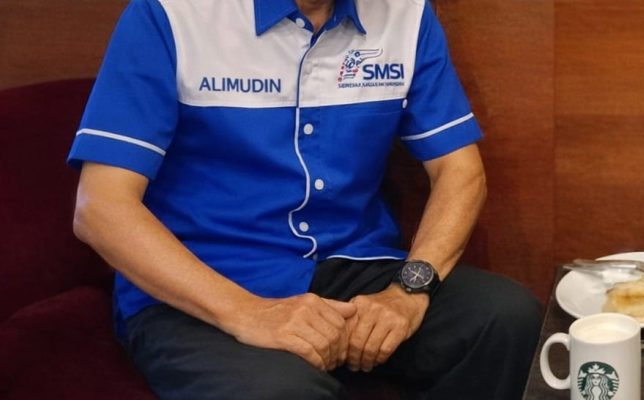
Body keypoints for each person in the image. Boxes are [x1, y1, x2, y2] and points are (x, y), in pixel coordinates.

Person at [68, 0, 542, 398]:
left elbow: (460, 171)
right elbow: (100, 208)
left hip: (350, 265)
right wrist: (248, 312)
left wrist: (408, 292)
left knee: (504, 316)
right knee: (280, 390)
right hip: (206, 285)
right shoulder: (169, 13)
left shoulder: (406, 13)